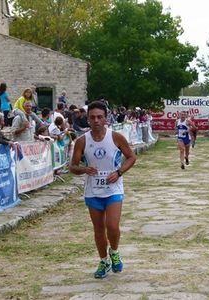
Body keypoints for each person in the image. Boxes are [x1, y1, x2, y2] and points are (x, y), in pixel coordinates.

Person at [69, 101, 136, 279]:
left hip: (113, 189)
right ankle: (103, 260)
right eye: (92, 117)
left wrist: (119, 172)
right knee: (99, 229)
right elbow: (72, 167)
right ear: (87, 119)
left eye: (100, 117)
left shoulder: (116, 137)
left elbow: (131, 157)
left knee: (112, 226)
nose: (96, 120)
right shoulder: (82, 141)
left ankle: (114, 252)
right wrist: (84, 169)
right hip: (93, 191)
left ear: (105, 118)